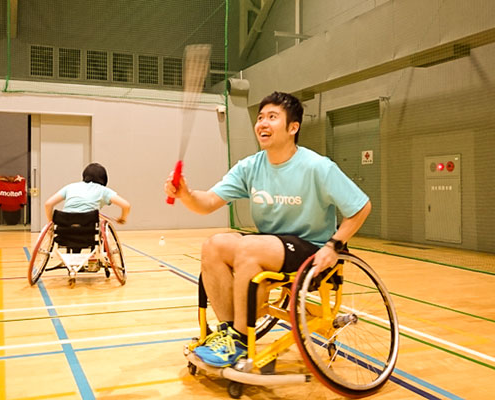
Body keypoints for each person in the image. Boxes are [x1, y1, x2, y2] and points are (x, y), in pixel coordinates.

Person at [164, 91, 371, 368]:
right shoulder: (250, 167)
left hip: (310, 247)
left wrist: (334, 246)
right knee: (214, 245)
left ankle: (238, 336)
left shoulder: (318, 167)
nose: (262, 123)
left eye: (272, 117)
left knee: (250, 248)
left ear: (293, 127)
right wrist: (186, 194)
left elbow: (361, 207)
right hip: (271, 244)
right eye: (260, 117)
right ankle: (231, 334)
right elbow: (209, 202)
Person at [45, 162, 130, 224]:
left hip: (65, 223)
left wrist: (50, 222)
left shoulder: (70, 187)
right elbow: (126, 205)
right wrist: (122, 218)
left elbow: (48, 204)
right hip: (88, 225)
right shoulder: (103, 190)